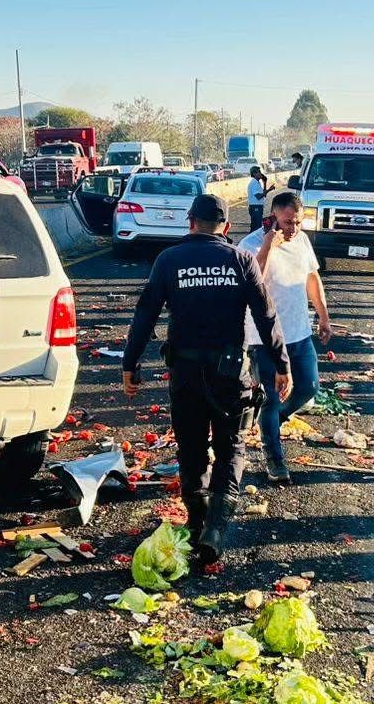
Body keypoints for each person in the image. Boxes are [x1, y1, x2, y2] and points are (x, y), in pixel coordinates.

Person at [122, 194, 290, 565]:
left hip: (184, 374)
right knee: (231, 448)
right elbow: (266, 316)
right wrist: (282, 363)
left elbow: (145, 315)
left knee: (191, 448)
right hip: (229, 375)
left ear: (190, 221)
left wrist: (130, 363)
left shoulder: (169, 260)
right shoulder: (240, 260)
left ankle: (197, 521)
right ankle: (214, 529)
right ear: (226, 227)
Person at [241, 191, 332, 485]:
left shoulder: (302, 240)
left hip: (298, 331)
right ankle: (275, 460)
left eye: (298, 222)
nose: (293, 228)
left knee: (308, 387)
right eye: (287, 222)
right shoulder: (250, 245)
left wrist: (323, 316)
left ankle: (272, 421)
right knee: (271, 396)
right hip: (263, 337)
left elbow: (311, 278)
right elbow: (252, 283)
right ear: (272, 218)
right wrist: (269, 244)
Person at [246, 165, 270, 232]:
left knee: (256, 226)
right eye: (259, 172)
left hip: (257, 206)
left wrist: (265, 183)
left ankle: (252, 238)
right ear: (254, 174)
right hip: (255, 207)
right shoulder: (254, 182)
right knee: (257, 227)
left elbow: (264, 195)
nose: (261, 173)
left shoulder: (257, 182)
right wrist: (269, 190)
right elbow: (258, 196)